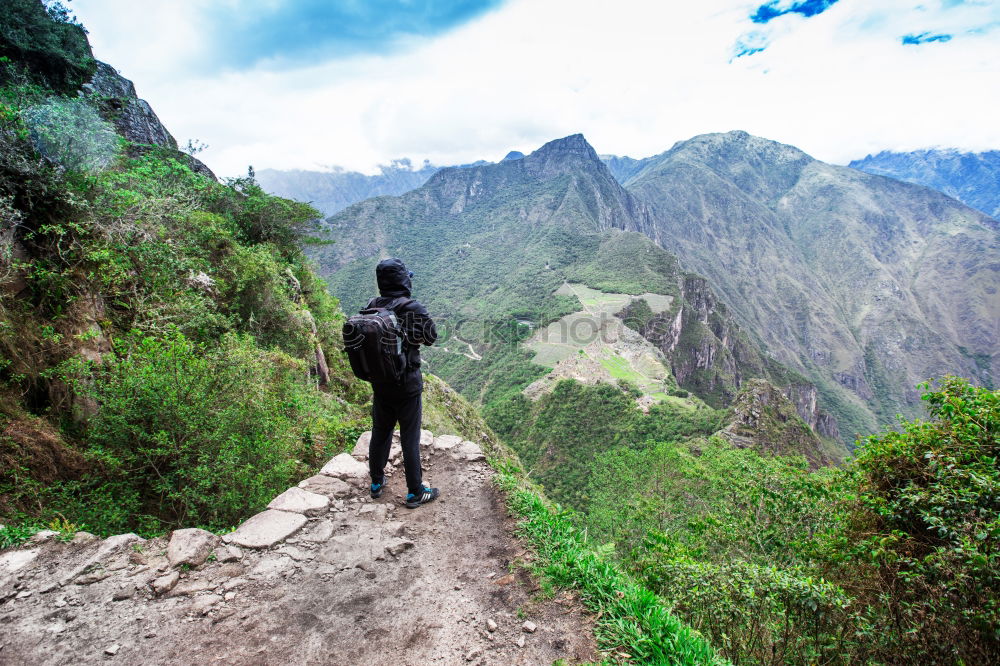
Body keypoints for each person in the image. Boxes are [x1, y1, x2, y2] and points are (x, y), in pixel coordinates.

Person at [366, 257, 440, 508]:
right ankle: (415, 492)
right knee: (410, 436)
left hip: (380, 382)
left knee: (381, 430)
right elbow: (431, 337)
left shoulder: (372, 305)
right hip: (407, 384)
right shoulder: (412, 307)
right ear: (404, 280)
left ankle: (376, 482)